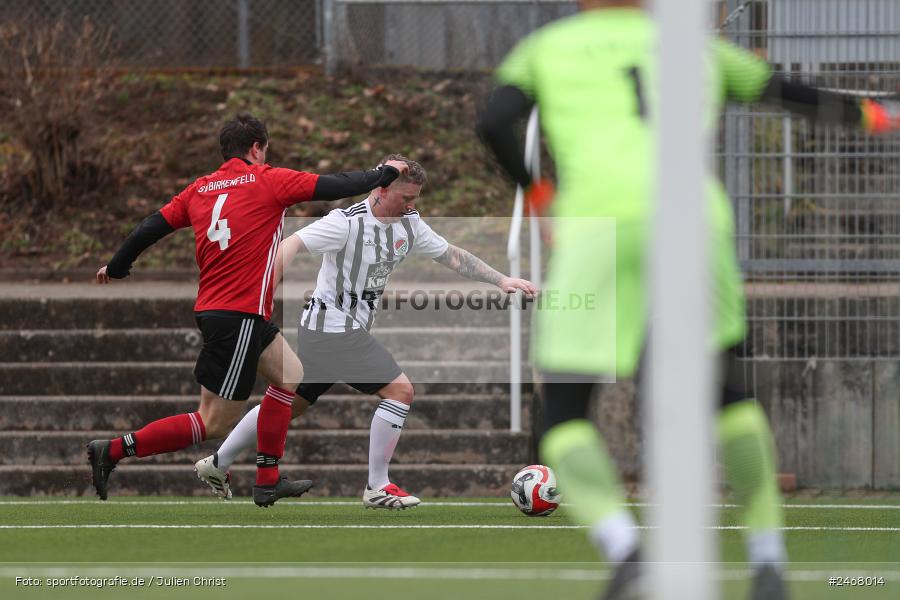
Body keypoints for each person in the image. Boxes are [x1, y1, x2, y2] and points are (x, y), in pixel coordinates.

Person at [476, 1, 899, 599]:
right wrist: (877, 115)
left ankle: (626, 552)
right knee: (726, 396)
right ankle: (768, 559)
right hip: (691, 223)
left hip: (597, 230)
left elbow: (494, 122)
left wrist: (541, 194)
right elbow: (794, 94)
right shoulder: (699, 48)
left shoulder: (550, 47)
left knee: (564, 412)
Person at [88, 113, 410, 507]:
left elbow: (150, 227)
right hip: (237, 314)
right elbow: (335, 186)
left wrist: (118, 266)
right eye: (265, 149)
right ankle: (115, 450)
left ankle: (267, 480)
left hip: (229, 312)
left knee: (290, 374)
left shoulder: (201, 189)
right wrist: (383, 172)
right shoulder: (267, 179)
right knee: (212, 421)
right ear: (257, 148)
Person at [194, 154, 537, 509]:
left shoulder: (410, 224)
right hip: (331, 327)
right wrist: (259, 288)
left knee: (287, 405)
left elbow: (452, 255)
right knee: (401, 392)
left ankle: (218, 463)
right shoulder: (345, 222)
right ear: (380, 188)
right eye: (406, 198)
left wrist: (502, 280)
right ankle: (377, 485)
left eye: (415, 198)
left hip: (331, 329)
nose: (411, 205)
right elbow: (291, 244)